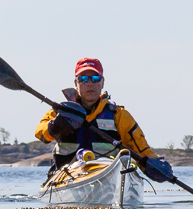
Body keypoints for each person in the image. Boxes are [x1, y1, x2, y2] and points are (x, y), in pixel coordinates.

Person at [34, 57, 175, 182]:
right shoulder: (61, 112)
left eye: (95, 78)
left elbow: (142, 149)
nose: (90, 83)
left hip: (109, 175)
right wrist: (53, 127)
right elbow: (40, 132)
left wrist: (154, 162)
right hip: (67, 177)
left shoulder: (119, 115)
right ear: (76, 83)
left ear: (102, 83)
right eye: (83, 79)